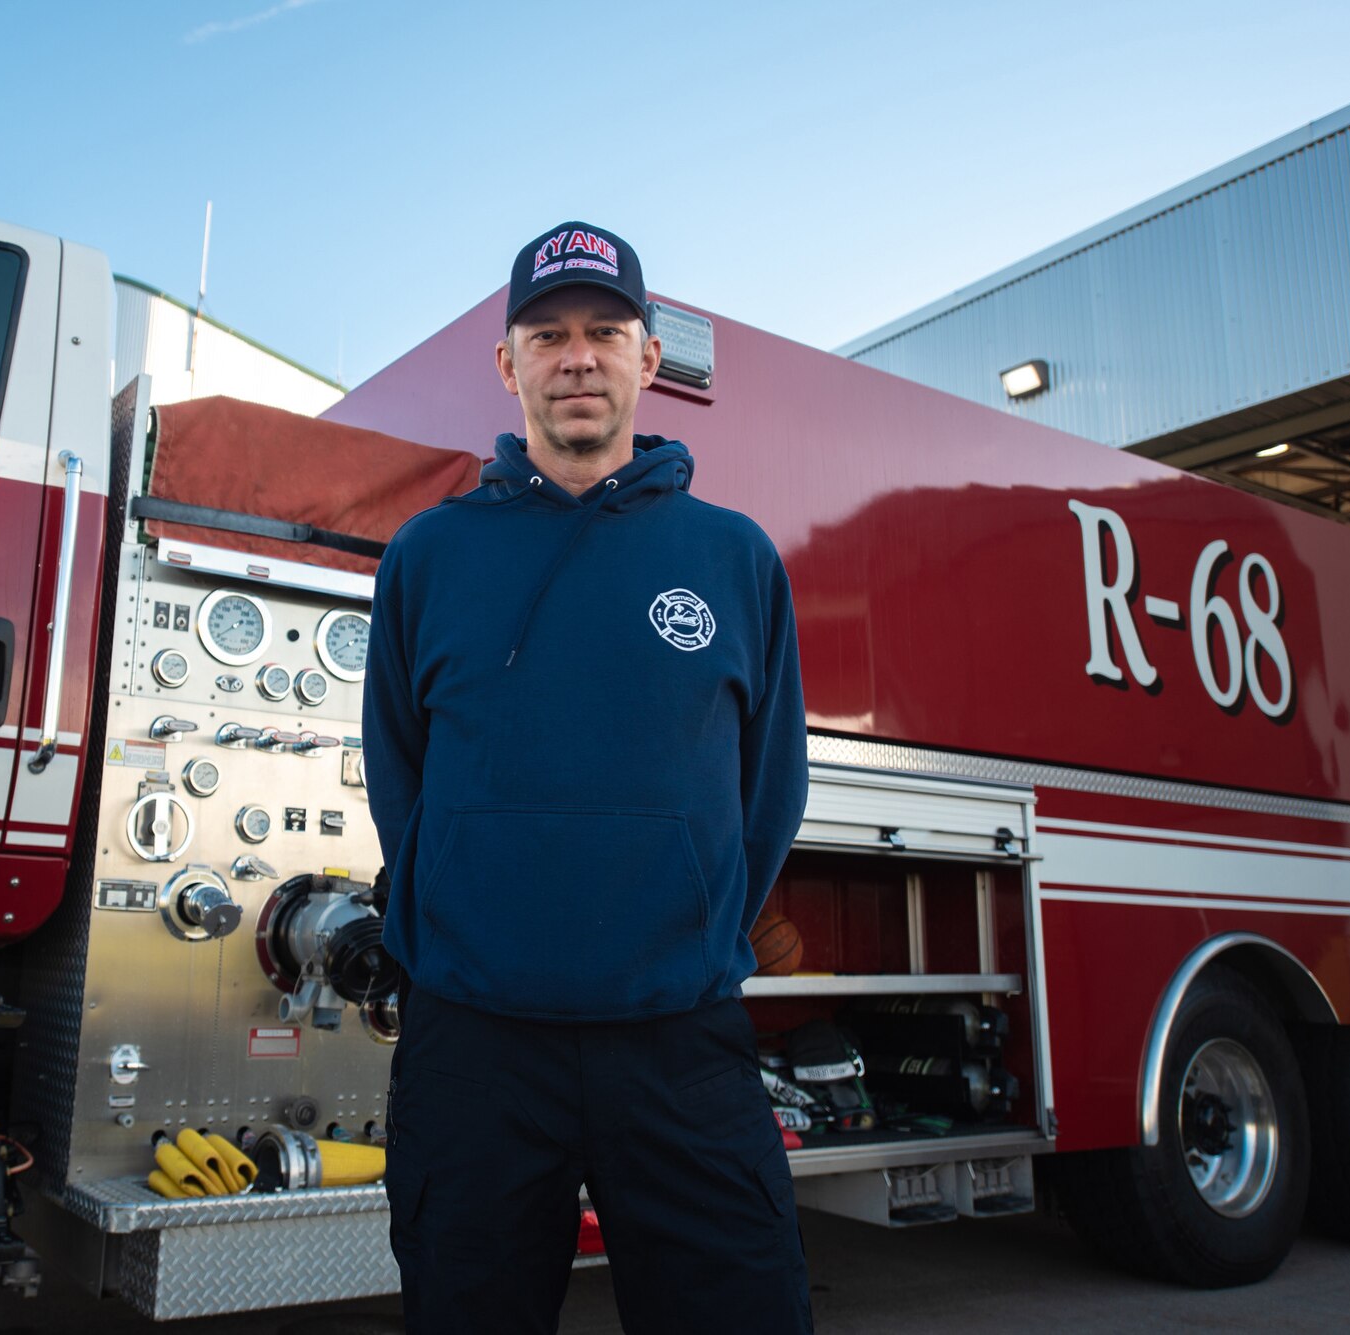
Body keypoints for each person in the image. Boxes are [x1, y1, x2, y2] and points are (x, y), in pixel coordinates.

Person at [361, 221, 813, 1334]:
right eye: (547, 335)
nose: (577, 358)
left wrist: (689, 929)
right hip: (473, 1046)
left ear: (646, 359)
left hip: (678, 1041)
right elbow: (399, 773)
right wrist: (461, 918)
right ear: (505, 363)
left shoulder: (734, 557)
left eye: (604, 333)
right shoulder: (428, 554)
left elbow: (768, 790)